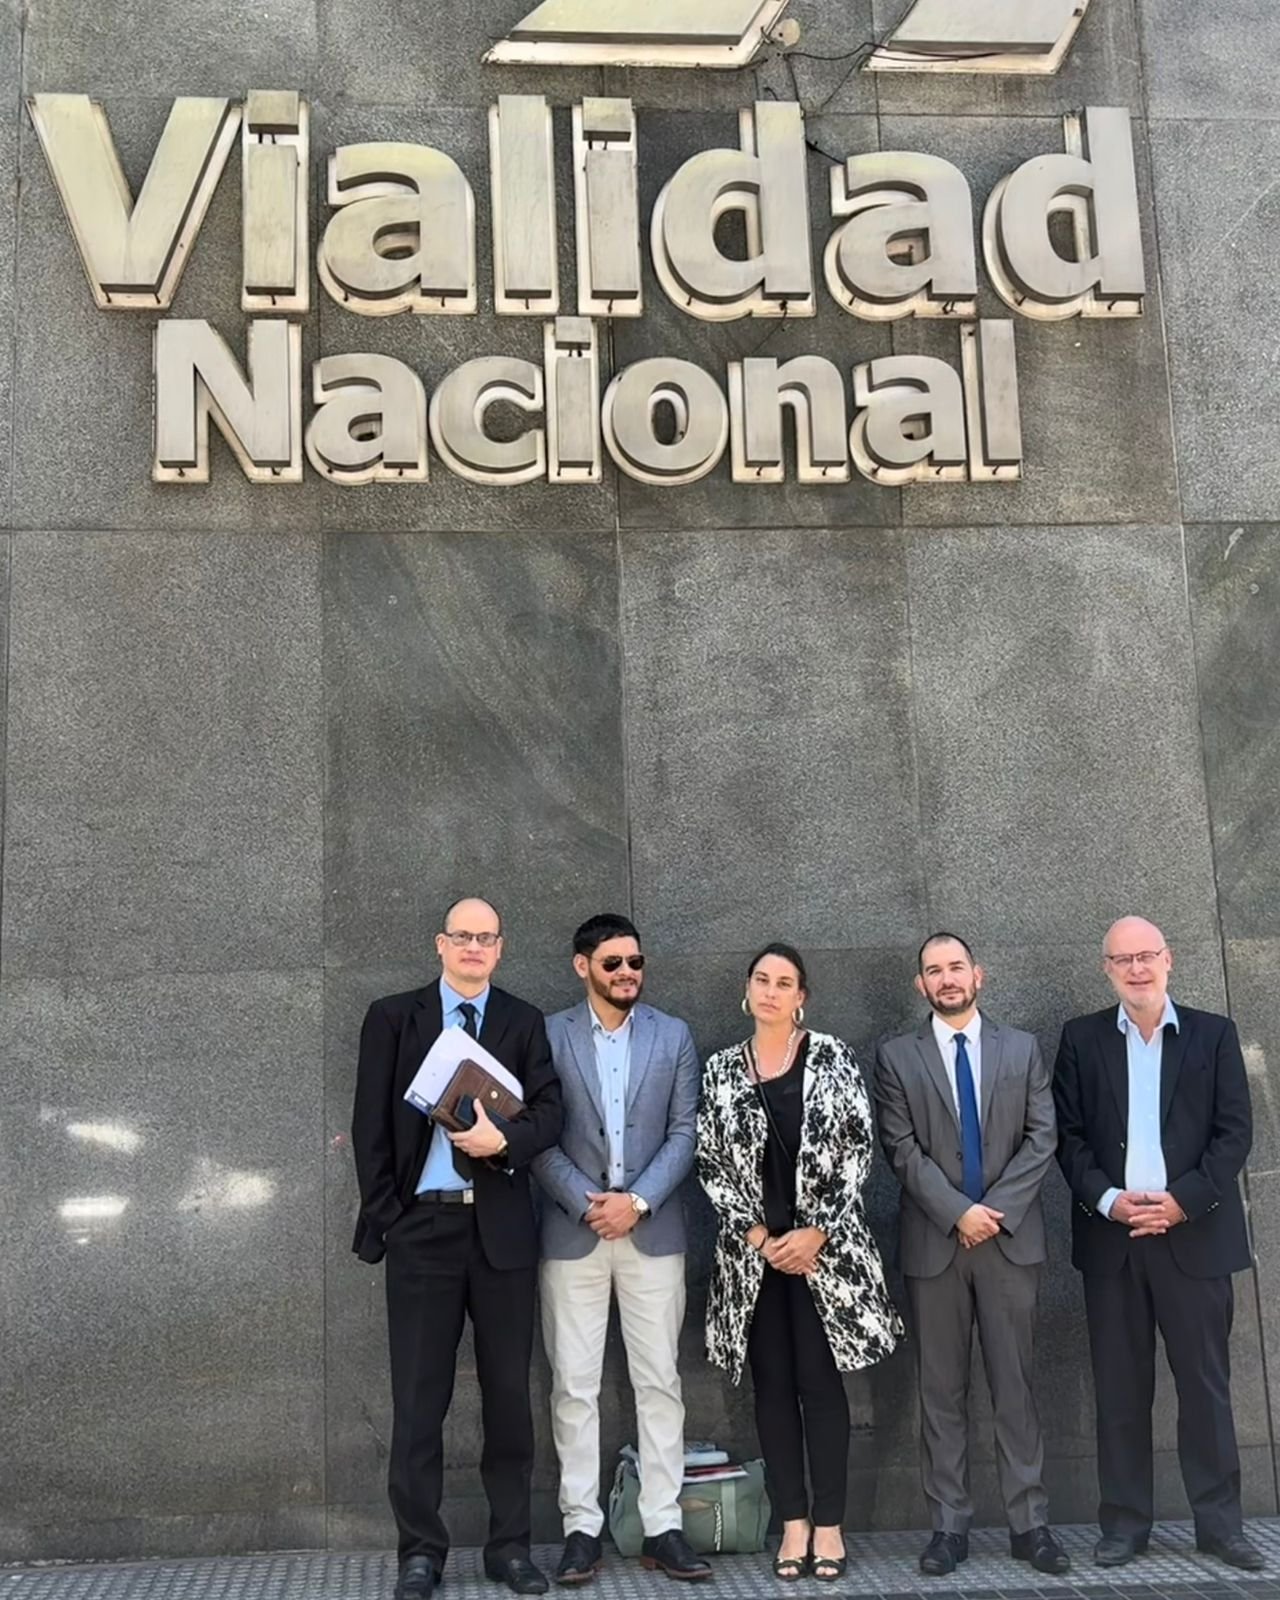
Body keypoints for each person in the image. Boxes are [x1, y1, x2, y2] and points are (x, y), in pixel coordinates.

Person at [350, 897, 564, 1600]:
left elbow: (551, 1113)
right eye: (462, 936)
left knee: (509, 1399)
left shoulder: (523, 1020)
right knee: (419, 1401)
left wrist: (505, 1141)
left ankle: (510, 1549)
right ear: (441, 945)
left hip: (501, 1233)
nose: (474, 947)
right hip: (423, 1231)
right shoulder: (393, 1017)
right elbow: (369, 1128)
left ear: (501, 948)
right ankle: (420, 1552)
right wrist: (392, 1217)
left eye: (486, 937)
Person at [1054, 917, 1261, 1572]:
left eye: (1146, 956)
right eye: (1123, 959)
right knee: (1119, 1392)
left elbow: (1234, 1133)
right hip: (1113, 1243)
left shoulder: (1214, 1034)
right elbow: (1068, 1137)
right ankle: (1124, 1526)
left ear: (1168, 960)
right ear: (1106, 969)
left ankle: (1220, 1527)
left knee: (1205, 1390)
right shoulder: (1081, 1039)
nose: (1137, 969)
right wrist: (1110, 1201)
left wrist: (1182, 1201)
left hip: (1194, 1238)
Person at [696, 943, 901, 1583]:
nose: (771, 991)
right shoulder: (722, 1068)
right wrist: (760, 1237)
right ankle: (793, 1522)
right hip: (753, 1261)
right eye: (762, 979)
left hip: (823, 1259)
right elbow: (711, 1162)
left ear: (801, 996)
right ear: (747, 989)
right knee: (773, 1389)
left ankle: (830, 1523)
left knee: (820, 1385)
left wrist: (816, 1231)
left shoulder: (832, 1057)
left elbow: (857, 1149)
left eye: (784, 983)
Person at [874, 934, 1068, 1578]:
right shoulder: (896, 1056)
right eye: (934, 971)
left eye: (956, 966)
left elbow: (1042, 1138)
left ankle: (1029, 1524)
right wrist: (958, 1212)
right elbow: (900, 1148)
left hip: (1009, 1243)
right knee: (940, 1391)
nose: (947, 978)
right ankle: (948, 1527)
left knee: (1016, 1386)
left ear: (978, 974)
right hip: (936, 1244)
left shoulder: (1022, 1048)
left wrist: (993, 1213)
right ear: (920, 985)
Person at [533, 914, 711, 1584]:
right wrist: (587, 1202)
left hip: (652, 1231)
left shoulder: (673, 1034)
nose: (628, 973)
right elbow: (536, 1133)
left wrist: (635, 1202)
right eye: (613, 963)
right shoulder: (548, 1035)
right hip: (572, 1232)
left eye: (636, 961)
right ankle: (581, 1529)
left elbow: (685, 1130)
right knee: (573, 1387)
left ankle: (663, 1525)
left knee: (660, 1381)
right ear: (582, 966)